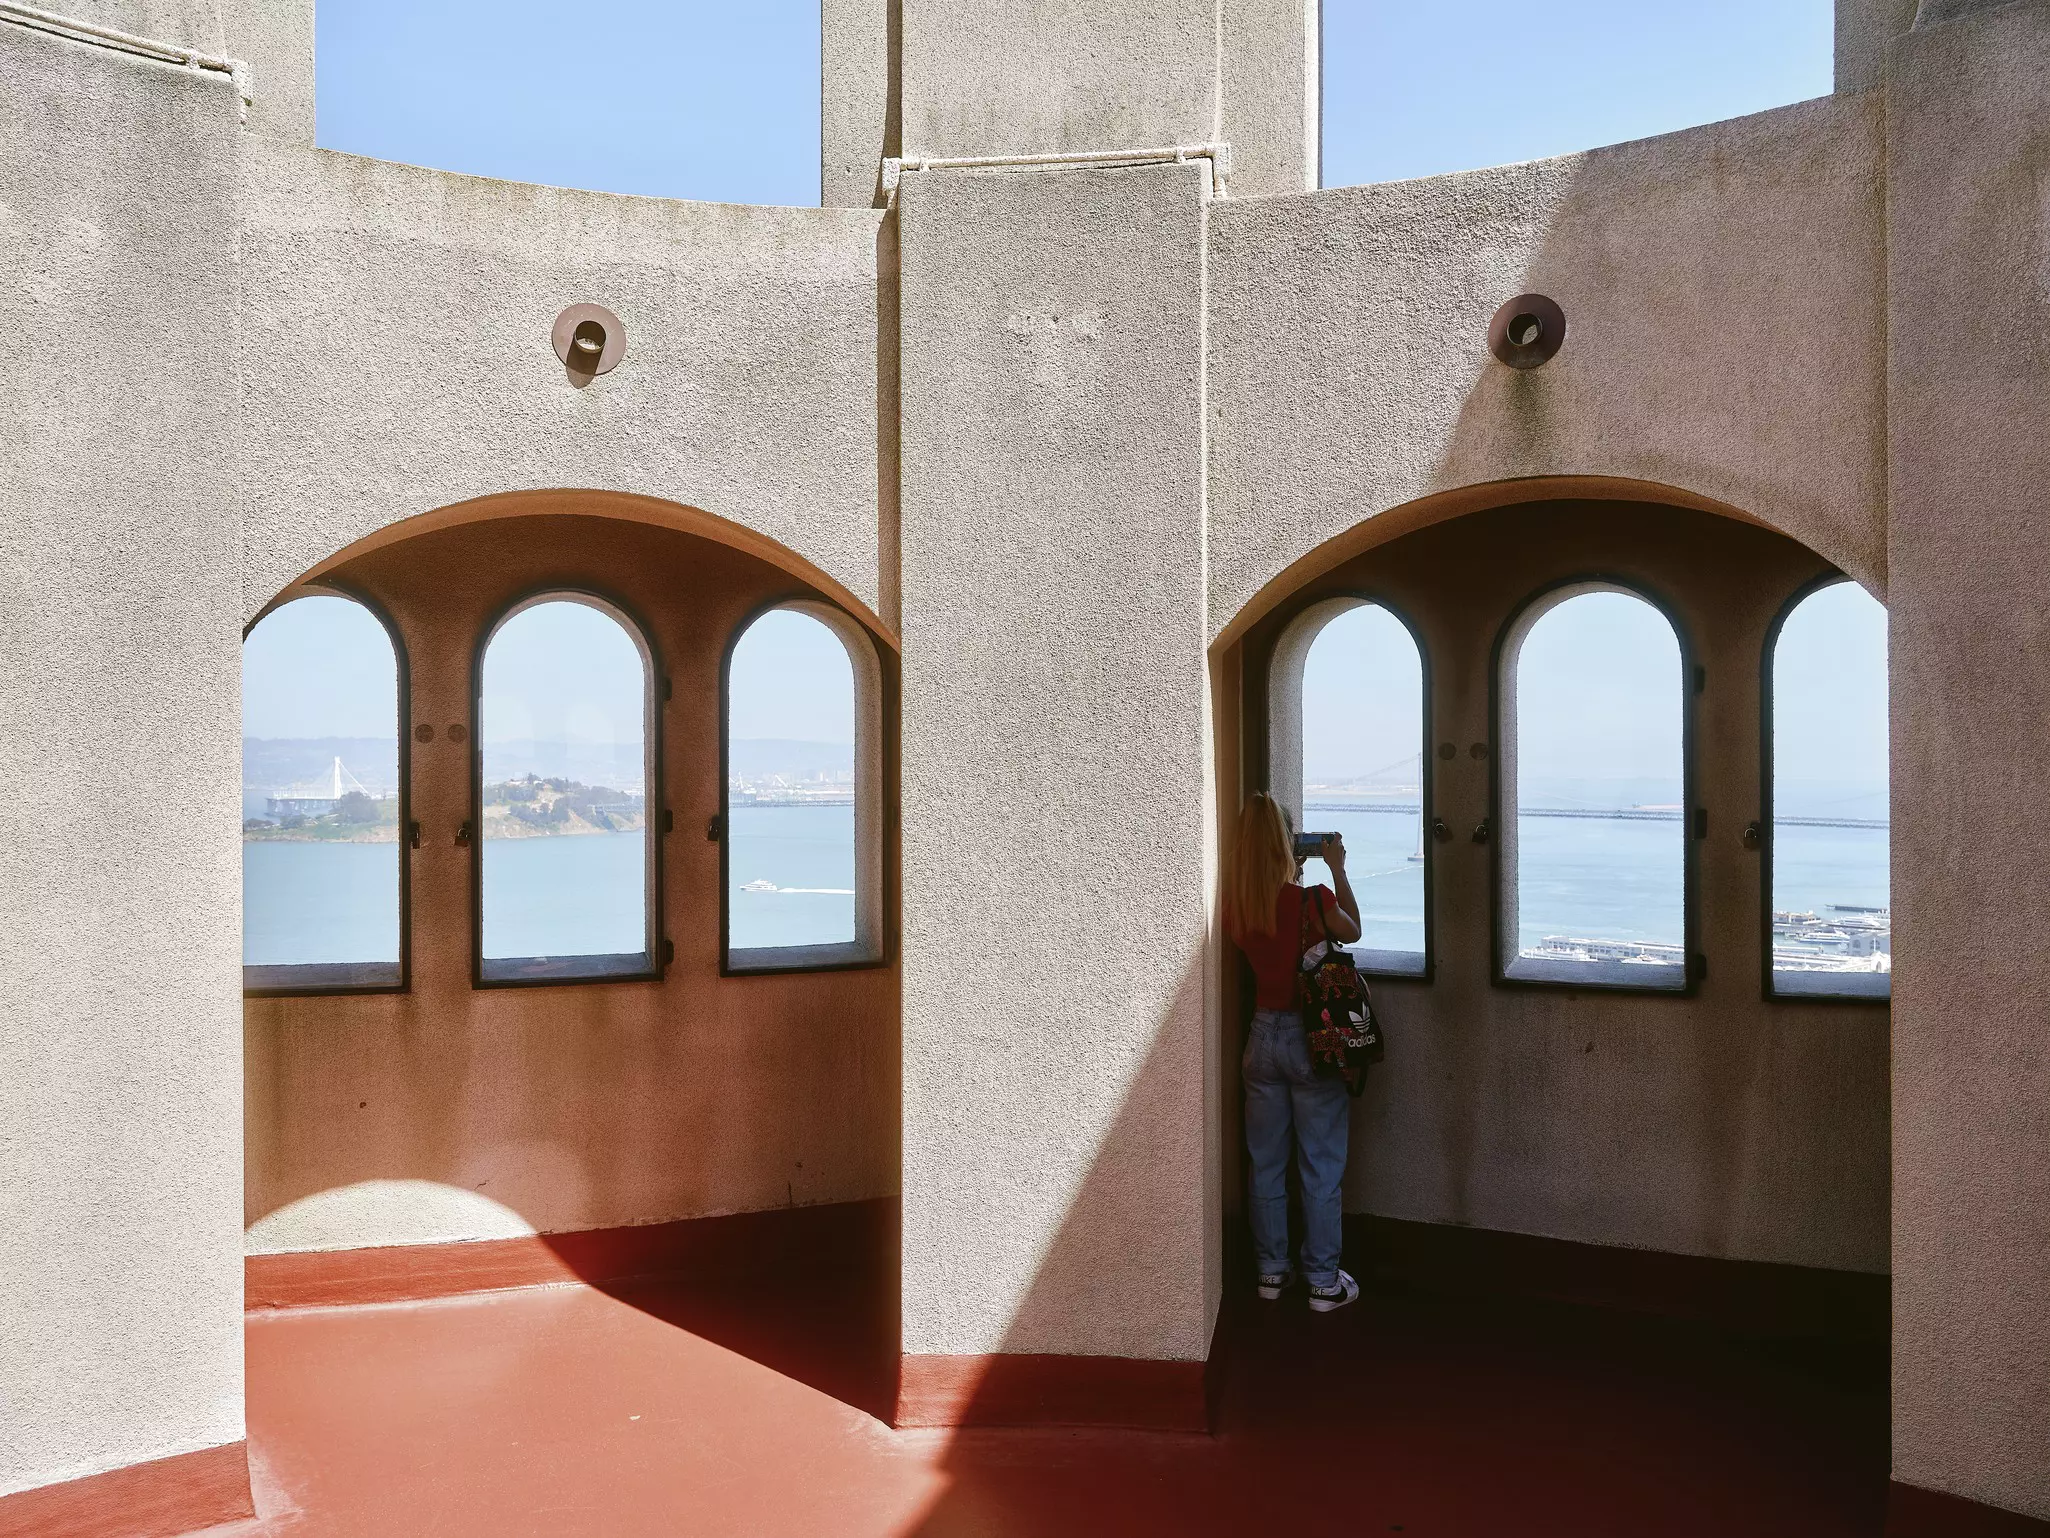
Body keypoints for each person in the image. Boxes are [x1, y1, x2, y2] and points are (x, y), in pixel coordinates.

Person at [1224, 792, 1364, 1312]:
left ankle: (1270, 1271)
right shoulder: (1311, 901)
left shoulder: (1237, 906)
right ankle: (1323, 1281)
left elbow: (1268, 933)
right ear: (1289, 845)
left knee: (1265, 1163)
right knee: (1320, 1164)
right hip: (1310, 1040)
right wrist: (1336, 870)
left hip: (1261, 1039)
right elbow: (1353, 929)